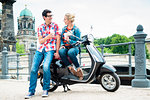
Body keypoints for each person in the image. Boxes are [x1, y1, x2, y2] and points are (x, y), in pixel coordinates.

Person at [25, 9, 60, 99]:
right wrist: (47, 37)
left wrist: (57, 51)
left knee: (45, 66)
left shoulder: (55, 26)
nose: (51, 17)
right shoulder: (40, 27)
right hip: (40, 49)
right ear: (44, 17)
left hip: (50, 49)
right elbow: (40, 41)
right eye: (49, 16)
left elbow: (58, 39)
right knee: (33, 69)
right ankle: (31, 91)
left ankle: (46, 89)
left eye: (51, 15)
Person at [59, 13, 83, 80]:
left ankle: (78, 69)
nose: (63, 20)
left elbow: (78, 42)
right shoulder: (64, 29)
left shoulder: (76, 29)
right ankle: (70, 68)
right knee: (61, 51)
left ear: (69, 20)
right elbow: (61, 38)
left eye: (65, 19)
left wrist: (69, 40)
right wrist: (62, 45)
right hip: (66, 47)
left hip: (75, 48)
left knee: (70, 52)